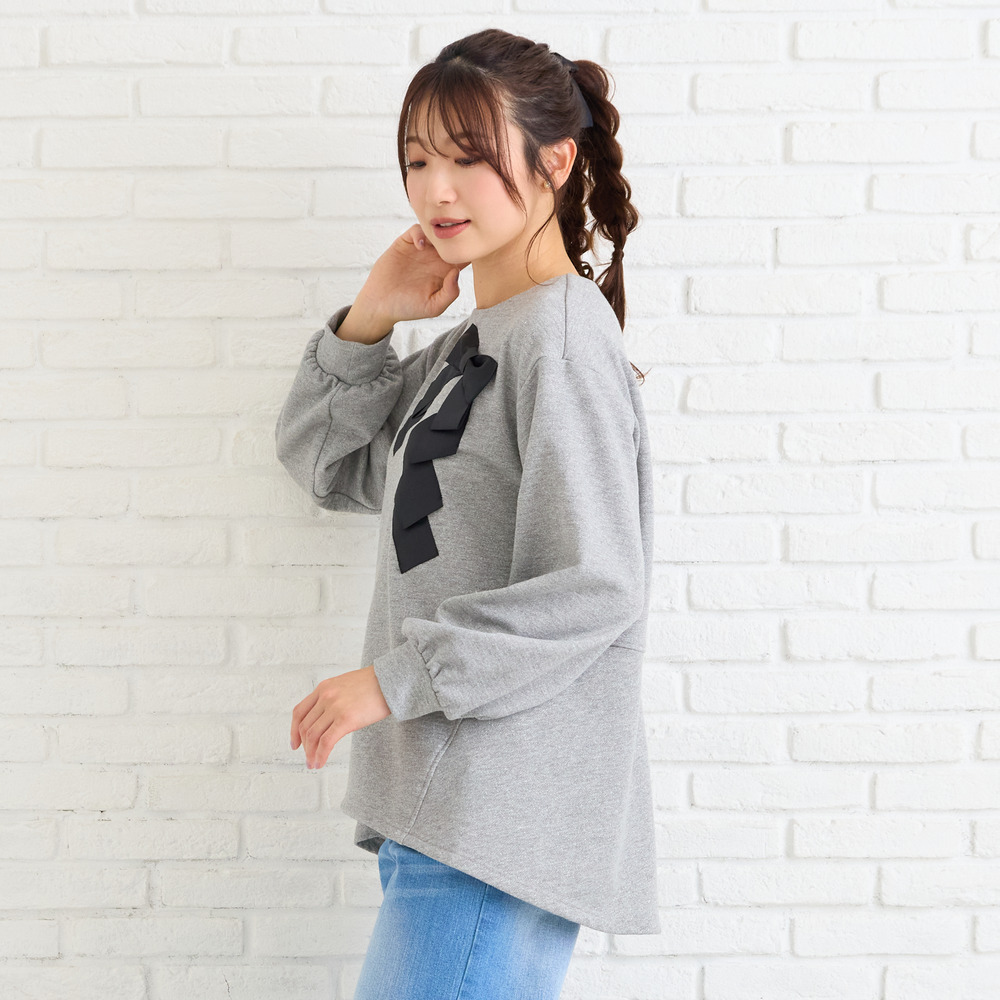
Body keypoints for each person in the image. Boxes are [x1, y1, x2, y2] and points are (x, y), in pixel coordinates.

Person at [275, 27, 660, 1000]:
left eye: (466, 158)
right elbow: (326, 464)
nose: (436, 191)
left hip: (498, 820)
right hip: (442, 811)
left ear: (554, 161)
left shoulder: (559, 339)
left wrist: (395, 679)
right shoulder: (474, 345)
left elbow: (596, 584)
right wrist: (372, 316)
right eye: (417, 161)